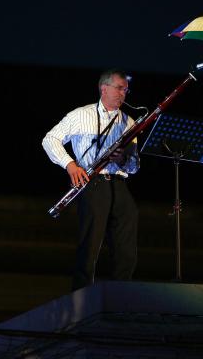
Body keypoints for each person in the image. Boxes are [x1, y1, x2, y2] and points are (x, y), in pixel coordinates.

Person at [42, 69, 140, 291]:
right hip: (92, 182)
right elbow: (50, 139)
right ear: (103, 88)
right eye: (119, 88)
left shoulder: (129, 121)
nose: (123, 94)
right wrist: (70, 165)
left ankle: (123, 292)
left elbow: (134, 167)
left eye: (126, 90)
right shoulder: (80, 115)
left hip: (119, 184)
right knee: (91, 241)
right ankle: (81, 294)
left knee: (126, 240)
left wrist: (124, 158)